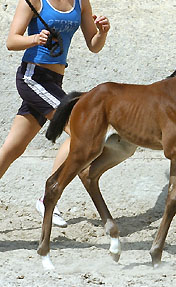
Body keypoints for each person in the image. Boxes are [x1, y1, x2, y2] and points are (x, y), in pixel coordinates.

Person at [2, 0, 110, 227]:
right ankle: (47, 196)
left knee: (13, 148)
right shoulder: (33, 2)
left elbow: (94, 45)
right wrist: (34, 39)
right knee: (82, 132)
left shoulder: (81, 3)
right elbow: (12, 41)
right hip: (32, 78)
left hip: (54, 82)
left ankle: (47, 195)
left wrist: (102, 32)